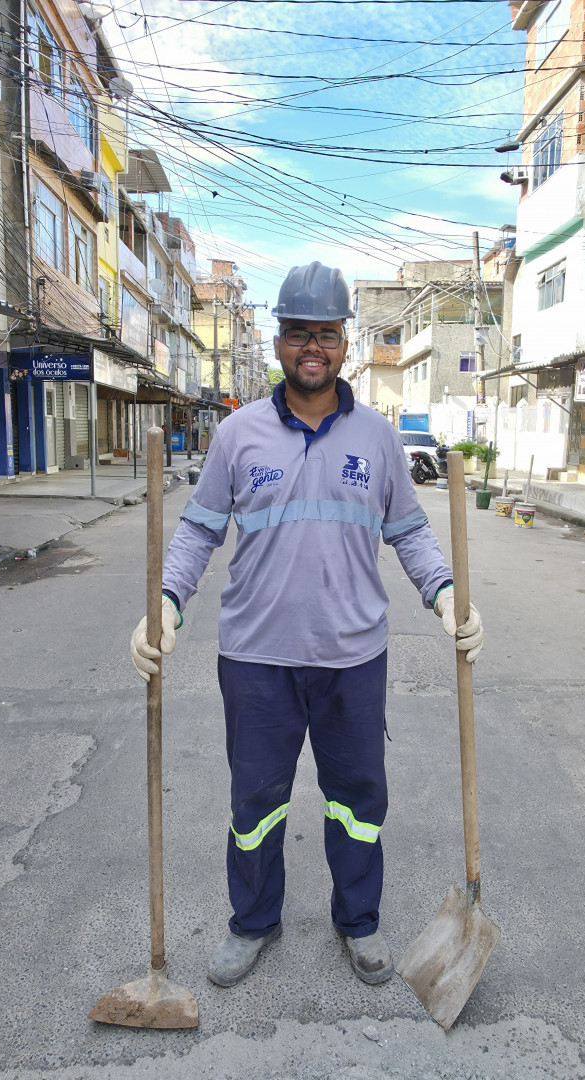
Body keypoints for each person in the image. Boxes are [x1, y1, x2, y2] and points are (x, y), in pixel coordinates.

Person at [129, 261, 484, 989]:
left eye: (325, 333)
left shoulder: (379, 440)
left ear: (345, 342)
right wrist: (165, 603)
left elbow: (410, 534)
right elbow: (198, 533)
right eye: (298, 333)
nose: (311, 347)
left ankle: (358, 921)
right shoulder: (237, 435)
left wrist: (446, 594)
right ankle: (253, 921)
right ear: (280, 341)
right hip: (256, 659)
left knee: (357, 803)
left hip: (354, 659)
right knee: (255, 804)